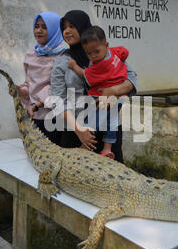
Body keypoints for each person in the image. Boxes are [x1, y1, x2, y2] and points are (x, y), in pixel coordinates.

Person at [49, 10, 137, 163]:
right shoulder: (62, 63)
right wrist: (79, 130)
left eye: (72, 26)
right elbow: (58, 101)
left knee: (114, 178)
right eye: (64, 27)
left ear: (83, 26)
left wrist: (112, 91)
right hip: (77, 132)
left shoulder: (106, 54)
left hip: (108, 129)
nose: (67, 31)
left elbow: (131, 79)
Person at [68, 25, 129, 159]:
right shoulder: (114, 52)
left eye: (96, 51)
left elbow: (84, 74)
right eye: (89, 53)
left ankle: (86, 145)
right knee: (111, 121)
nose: (93, 56)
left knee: (93, 120)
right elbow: (124, 51)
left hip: (102, 97)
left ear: (106, 45)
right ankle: (107, 148)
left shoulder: (100, 65)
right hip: (119, 97)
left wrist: (74, 66)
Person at [12, 11, 67, 144]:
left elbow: (63, 89)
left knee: (54, 156)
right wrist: (19, 90)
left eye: (45, 27)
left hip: (56, 116)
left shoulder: (64, 55)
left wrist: (39, 103)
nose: (39, 31)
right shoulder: (31, 54)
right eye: (37, 26)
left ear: (55, 29)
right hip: (34, 115)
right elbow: (29, 84)